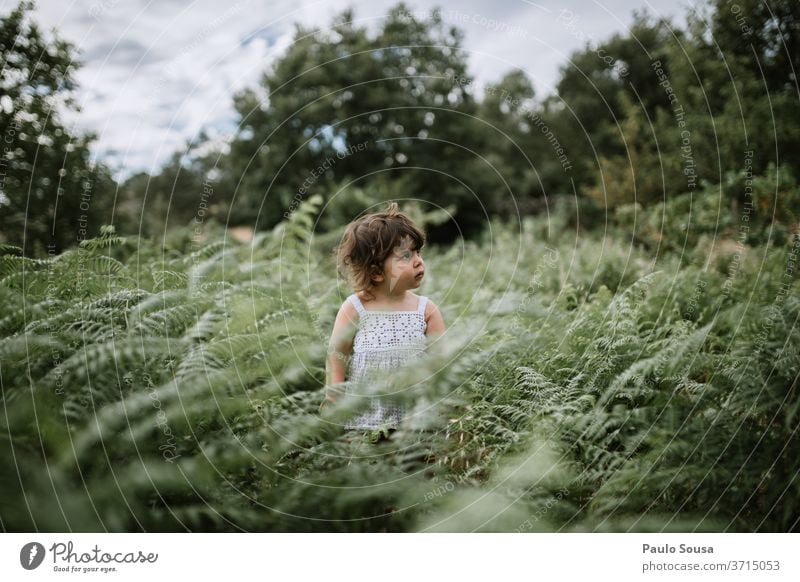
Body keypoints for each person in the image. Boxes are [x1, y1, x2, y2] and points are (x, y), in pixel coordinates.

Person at [322, 202, 446, 433]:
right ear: (377, 272)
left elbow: (441, 364)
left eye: (418, 251)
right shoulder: (355, 309)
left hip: (417, 423)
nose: (419, 260)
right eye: (406, 256)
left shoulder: (427, 311)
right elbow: (337, 356)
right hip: (364, 423)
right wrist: (334, 400)